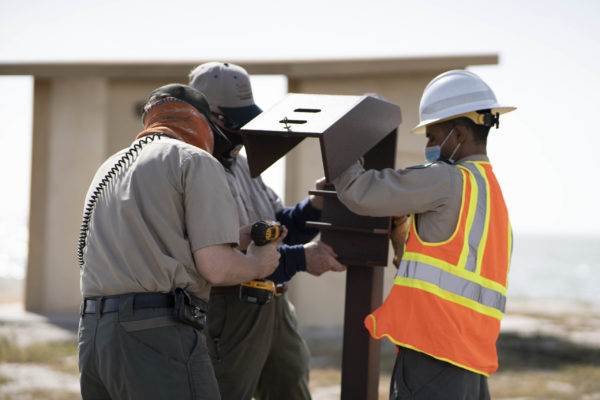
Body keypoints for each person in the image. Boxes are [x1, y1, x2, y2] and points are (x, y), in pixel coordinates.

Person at [77, 83, 285, 400]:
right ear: (202, 122)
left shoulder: (109, 166)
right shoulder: (195, 160)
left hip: (94, 337)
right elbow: (216, 268)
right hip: (156, 335)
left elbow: (149, 240)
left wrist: (233, 236)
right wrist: (258, 263)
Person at [332, 70, 516, 400]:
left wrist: (338, 145)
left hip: (434, 354)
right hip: (469, 359)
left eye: (432, 136)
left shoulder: (446, 179)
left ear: (458, 134)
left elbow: (360, 192)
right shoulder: (491, 193)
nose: (429, 146)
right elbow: (439, 264)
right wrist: (402, 232)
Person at [189, 61, 346, 400]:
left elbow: (277, 228)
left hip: (274, 304)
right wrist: (302, 259)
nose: (243, 134)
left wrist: (314, 205)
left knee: (291, 387)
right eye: (236, 123)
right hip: (229, 309)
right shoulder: (192, 169)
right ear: (209, 116)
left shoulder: (245, 166)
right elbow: (220, 253)